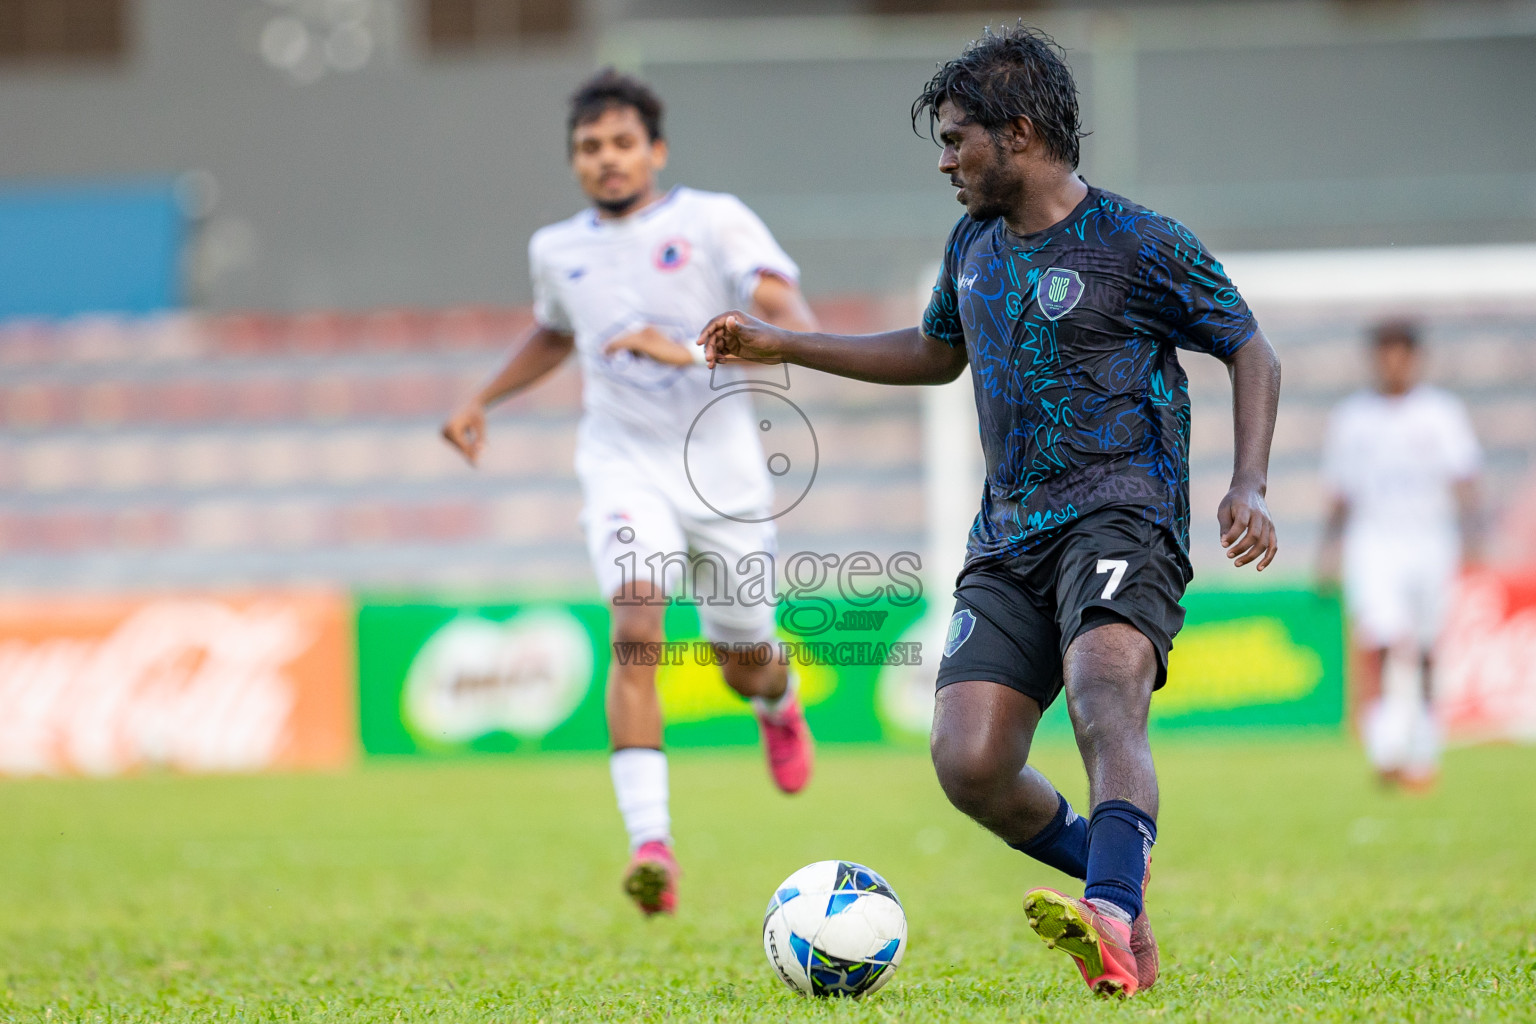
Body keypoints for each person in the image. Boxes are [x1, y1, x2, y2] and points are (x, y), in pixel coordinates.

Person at [698, 26, 1280, 999]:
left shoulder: (1139, 242)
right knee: (968, 763)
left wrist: (1250, 481)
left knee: (1104, 686)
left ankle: (1107, 910)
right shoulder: (971, 243)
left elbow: (1250, 348)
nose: (943, 158)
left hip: (1121, 516)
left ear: (1017, 134)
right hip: (1007, 538)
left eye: (957, 137)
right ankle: (1118, 881)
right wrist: (780, 344)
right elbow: (934, 352)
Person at [442, 70, 818, 918]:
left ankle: (779, 704)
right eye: (588, 148)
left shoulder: (712, 221)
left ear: (655, 150)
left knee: (743, 661)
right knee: (637, 628)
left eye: (620, 143)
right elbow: (554, 329)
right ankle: (653, 845)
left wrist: (686, 348)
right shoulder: (556, 249)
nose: (605, 160)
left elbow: (794, 324)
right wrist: (481, 399)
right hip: (621, 467)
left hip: (722, 473)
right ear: (574, 161)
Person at [1318, 321, 1481, 790]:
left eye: (1400, 353)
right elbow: (1341, 493)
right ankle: (1387, 746)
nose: (1392, 362)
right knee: (1383, 640)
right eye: (1384, 353)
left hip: (1432, 539)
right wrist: (1328, 551)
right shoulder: (1353, 418)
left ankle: (1425, 746)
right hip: (1375, 541)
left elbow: (1465, 478)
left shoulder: (1440, 413)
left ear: (1414, 358)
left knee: (1427, 649)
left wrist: (1474, 538)